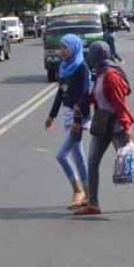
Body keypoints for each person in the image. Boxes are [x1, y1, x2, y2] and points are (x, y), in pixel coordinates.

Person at [76, 41, 134, 215]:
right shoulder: (99, 73)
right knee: (93, 162)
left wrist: (127, 128)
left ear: (98, 56)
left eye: (91, 54)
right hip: (102, 123)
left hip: (117, 124)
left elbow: (120, 104)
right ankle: (93, 204)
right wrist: (82, 104)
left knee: (131, 162)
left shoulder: (111, 75)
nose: (89, 57)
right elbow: (95, 96)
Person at [46, 34, 91, 209]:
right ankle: (88, 196)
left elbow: (86, 93)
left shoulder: (82, 67)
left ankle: (78, 191)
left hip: (77, 116)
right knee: (78, 157)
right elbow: (60, 92)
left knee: (61, 155)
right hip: (67, 114)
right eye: (61, 47)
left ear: (74, 48)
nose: (62, 51)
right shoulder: (63, 66)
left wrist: (78, 118)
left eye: (65, 48)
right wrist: (52, 115)